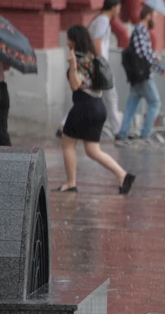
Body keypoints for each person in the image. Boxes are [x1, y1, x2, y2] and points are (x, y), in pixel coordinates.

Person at [55, 25, 135, 194]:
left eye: (68, 37)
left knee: (68, 143)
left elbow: (76, 85)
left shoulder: (79, 60)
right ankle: (123, 175)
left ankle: (71, 183)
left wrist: (72, 65)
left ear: (74, 40)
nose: (66, 40)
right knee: (93, 150)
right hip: (99, 107)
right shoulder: (94, 58)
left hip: (83, 107)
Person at [116, 4, 165, 145]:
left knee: (132, 104)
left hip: (138, 75)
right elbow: (143, 54)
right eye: (155, 17)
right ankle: (144, 135)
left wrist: (155, 61)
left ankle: (123, 134)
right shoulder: (140, 30)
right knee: (155, 102)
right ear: (148, 16)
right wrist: (159, 65)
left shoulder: (141, 30)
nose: (156, 21)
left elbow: (143, 52)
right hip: (142, 75)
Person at [89, 0, 124, 136]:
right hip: (100, 66)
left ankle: (64, 126)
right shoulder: (103, 21)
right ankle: (118, 130)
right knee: (111, 97)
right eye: (118, 8)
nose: (119, 11)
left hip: (95, 64)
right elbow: (98, 42)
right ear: (114, 7)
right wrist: (102, 63)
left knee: (90, 96)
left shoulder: (99, 20)